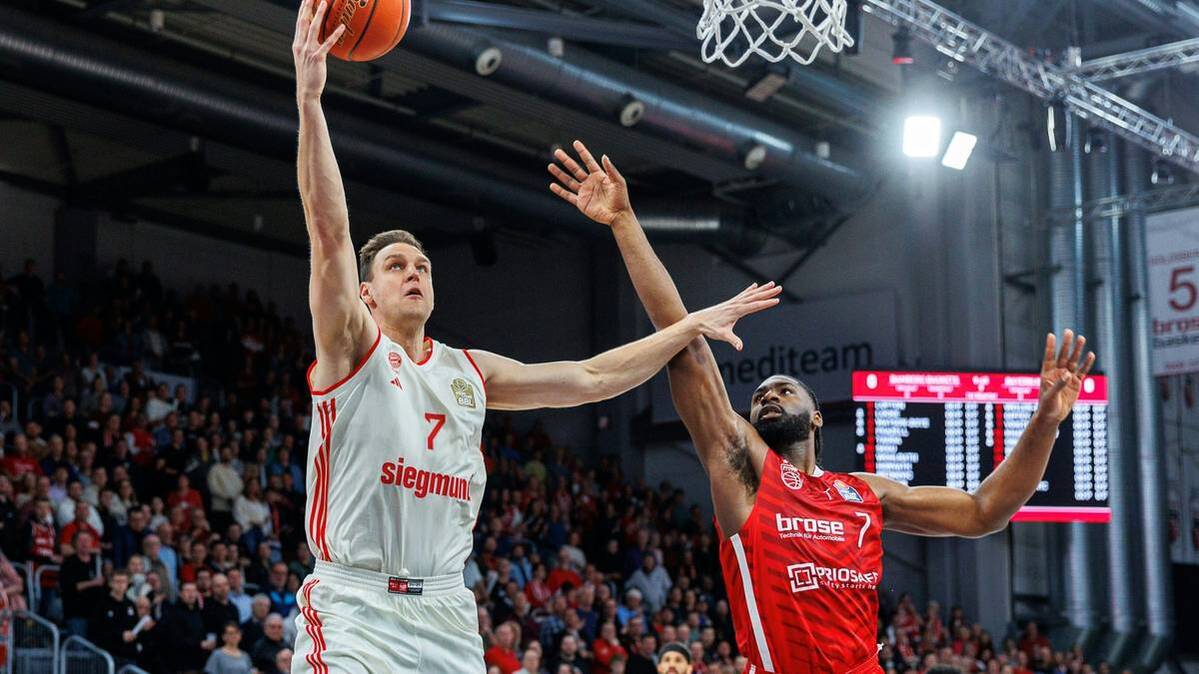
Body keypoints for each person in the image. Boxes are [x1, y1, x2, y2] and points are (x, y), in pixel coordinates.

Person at [290, 3, 780, 672]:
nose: (415, 273)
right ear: (365, 292)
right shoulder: (352, 349)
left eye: (423, 265)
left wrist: (692, 323)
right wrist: (310, 98)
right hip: (356, 607)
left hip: (444, 612)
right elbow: (329, 235)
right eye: (396, 266)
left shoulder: (468, 370)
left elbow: (591, 379)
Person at [550, 140, 1099, 674]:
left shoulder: (866, 494)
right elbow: (684, 343)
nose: (768, 395)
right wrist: (624, 222)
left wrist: (1046, 422)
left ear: (816, 415)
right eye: (760, 394)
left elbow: (986, 511)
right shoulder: (744, 469)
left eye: (784, 389)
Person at [160, 582, 214, 674]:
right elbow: (176, 640)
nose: (191, 594)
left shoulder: (199, 612)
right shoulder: (173, 613)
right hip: (182, 665)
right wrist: (200, 644)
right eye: (187, 591)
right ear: (180, 593)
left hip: (200, 664)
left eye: (194, 591)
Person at [89, 569, 139, 664]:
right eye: (117, 581)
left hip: (129, 655)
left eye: (123, 581)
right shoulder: (102, 604)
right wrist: (120, 636)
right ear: (111, 583)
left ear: (128, 583)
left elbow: (135, 626)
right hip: (109, 656)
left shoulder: (130, 604)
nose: (120, 585)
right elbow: (96, 630)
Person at [59, 531, 104, 637]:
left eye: (87, 540)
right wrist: (93, 583)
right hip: (76, 614)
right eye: (81, 540)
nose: (84, 543)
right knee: (79, 650)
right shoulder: (69, 563)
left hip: (96, 614)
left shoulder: (96, 562)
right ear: (74, 543)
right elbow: (70, 587)